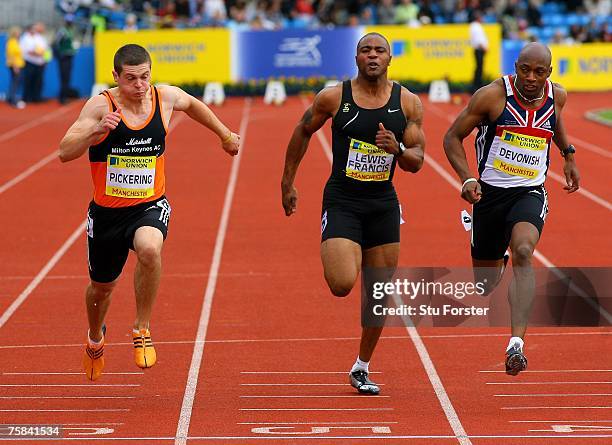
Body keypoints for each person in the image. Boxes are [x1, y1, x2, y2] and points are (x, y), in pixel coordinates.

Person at [58, 44, 240, 381]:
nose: (139, 85)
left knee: (150, 248)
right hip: (107, 214)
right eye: (130, 79)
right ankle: (95, 338)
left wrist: (225, 134)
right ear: (115, 77)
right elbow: (64, 152)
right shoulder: (101, 105)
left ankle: (142, 327)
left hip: (148, 205)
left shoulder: (164, 97)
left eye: (145, 77)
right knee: (102, 288)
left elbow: (194, 104)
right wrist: (95, 131)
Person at [281, 33, 425, 394]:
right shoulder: (333, 97)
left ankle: (361, 367)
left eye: (379, 51)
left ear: (390, 58)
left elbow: (417, 163)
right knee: (343, 284)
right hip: (343, 200)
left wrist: (398, 148)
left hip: (383, 204)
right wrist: (287, 183)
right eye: (366, 50)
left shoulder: (407, 102)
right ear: (356, 58)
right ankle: (342, 247)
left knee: (378, 292)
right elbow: (302, 131)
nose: (372, 56)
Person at [443, 42, 580, 375]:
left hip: (530, 191)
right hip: (488, 196)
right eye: (524, 70)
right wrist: (465, 179)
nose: (531, 78)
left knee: (523, 249)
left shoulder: (556, 95)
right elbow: (451, 137)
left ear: (549, 73)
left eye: (539, 72)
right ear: (515, 66)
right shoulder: (491, 96)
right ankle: (495, 256)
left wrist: (569, 154)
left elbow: (555, 123)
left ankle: (516, 344)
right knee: (485, 285)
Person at [19, 22, 49, 103]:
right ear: (29, 29)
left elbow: (46, 49)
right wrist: (37, 53)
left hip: (40, 63)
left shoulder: (39, 37)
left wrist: (46, 60)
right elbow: (25, 51)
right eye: (33, 28)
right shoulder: (25, 38)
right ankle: (26, 98)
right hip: (29, 62)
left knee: (38, 81)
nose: (34, 30)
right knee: (28, 80)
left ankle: (37, 97)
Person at [53, 15, 76, 104]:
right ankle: (62, 98)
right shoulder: (62, 31)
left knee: (67, 77)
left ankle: (65, 96)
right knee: (64, 77)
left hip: (70, 56)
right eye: (69, 21)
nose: (70, 23)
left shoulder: (71, 31)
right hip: (64, 57)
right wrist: (59, 55)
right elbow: (56, 43)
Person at [5, 26, 26, 109]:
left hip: (18, 65)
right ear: (14, 33)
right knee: (15, 83)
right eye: (18, 32)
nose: (19, 34)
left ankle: (11, 98)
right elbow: (11, 55)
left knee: (15, 83)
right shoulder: (11, 42)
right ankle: (12, 100)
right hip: (15, 65)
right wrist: (15, 66)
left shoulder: (16, 42)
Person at [469, 10, 488, 93]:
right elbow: (478, 39)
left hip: (479, 50)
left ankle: (476, 85)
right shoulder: (476, 26)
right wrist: (483, 47)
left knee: (479, 68)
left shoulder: (475, 26)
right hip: (479, 50)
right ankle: (477, 86)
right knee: (479, 68)